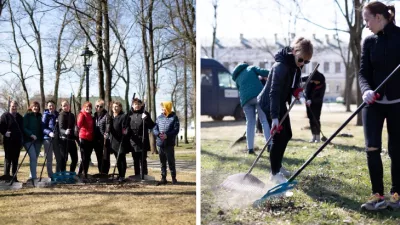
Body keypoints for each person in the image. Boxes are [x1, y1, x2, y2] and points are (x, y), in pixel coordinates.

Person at [359, 2, 400, 211]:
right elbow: (363, 72)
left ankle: (397, 194)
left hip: (398, 104)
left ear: (378, 17)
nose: (366, 24)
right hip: (372, 103)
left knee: (397, 150)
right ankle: (378, 195)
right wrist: (366, 90)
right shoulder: (369, 41)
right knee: (372, 147)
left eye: (367, 19)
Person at [258, 37, 313, 184]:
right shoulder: (280, 67)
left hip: (280, 102)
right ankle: (274, 173)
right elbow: (274, 92)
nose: (303, 64)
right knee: (278, 137)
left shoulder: (295, 67)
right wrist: (274, 117)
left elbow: (293, 86)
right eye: (301, 60)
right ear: (294, 52)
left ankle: (278, 166)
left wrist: (296, 92)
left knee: (287, 134)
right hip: (269, 104)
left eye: (306, 62)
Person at [232, 63, 270, 154]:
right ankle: (269, 145)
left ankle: (250, 149)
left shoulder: (237, 79)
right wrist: (274, 72)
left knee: (250, 123)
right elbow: (264, 72)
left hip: (245, 101)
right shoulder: (251, 68)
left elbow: (239, 90)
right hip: (258, 96)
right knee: (264, 120)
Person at [153, 101, 180, 185]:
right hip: (160, 143)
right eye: (161, 107)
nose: (162, 109)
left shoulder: (174, 117)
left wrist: (167, 135)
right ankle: (163, 178)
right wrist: (158, 134)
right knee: (162, 162)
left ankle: (173, 178)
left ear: (168, 107)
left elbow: (176, 130)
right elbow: (154, 128)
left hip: (169, 144)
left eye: (163, 107)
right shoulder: (159, 117)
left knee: (171, 161)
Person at [128, 98, 155, 176]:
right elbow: (127, 126)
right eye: (135, 104)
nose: (137, 106)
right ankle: (137, 175)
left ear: (141, 105)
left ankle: (144, 175)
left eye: (139, 104)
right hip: (133, 141)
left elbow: (151, 126)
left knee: (143, 159)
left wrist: (146, 119)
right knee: (135, 159)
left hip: (143, 140)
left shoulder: (145, 113)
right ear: (132, 105)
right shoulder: (130, 115)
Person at [0, 100, 24, 182]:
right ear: (10, 106)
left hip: (17, 142)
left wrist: (22, 140)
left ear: (17, 107)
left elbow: (22, 129)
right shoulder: (4, 116)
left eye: (15, 106)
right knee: (8, 160)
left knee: (15, 160)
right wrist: (4, 132)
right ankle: (6, 178)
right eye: (12, 106)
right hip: (8, 142)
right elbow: (1, 126)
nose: (14, 107)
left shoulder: (20, 117)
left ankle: (14, 178)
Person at [23, 101, 44, 182]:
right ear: (31, 107)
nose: (35, 108)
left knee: (35, 158)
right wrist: (31, 134)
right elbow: (24, 127)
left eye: (37, 106)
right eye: (34, 106)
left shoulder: (40, 116)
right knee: (33, 156)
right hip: (28, 140)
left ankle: (31, 175)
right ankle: (34, 177)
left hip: (38, 140)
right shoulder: (27, 115)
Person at [303, 70, 326, 143]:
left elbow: (320, 97)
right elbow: (306, 91)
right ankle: (313, 136)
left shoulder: (322, 83)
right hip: (308, 103)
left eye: (315, 81)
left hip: (317, 103)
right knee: (310, 119)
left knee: (316, 119)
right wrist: (308, 99)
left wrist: (312, 101)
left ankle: (318, 137)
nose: (314, 82)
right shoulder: (311, 79)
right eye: (313, 80)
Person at [109, 101, 128, 182]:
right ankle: (120, 175)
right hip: (113, 141)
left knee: (121, 159)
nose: (115, 108)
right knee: (117, 158)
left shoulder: (123, 116)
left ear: (120, 108)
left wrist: (125, 131)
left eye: (117, 106)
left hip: (121, 141)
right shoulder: (111, 117)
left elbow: (126, 127)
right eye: (113, 106)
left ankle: (122, 176)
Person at [58, 100, 78, 172]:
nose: (65, 107)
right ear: (62, 107)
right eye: (64, 106)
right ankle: (63, 173)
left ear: (69, 106)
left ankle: (71, 173)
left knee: (75, 159)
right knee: (64, 158)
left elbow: (74, 126)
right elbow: (60, 128)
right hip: (64, 140)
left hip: (72, 140)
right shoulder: (61, 115)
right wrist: (65, 131)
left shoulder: (72, 115)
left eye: (67, 105)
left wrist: (76, 130)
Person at [42, 100, 59, 178]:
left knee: (58, 157)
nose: (51, 107)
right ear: (47, 106)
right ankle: (51, 175)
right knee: (49, 158)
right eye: (49, 105)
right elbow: (42, 127)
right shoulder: (45, 115)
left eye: (52, 105)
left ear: (55, 106)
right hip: (47, 139)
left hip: (56, 138)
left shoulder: (57, 114)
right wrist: (49, 133)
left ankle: (57, 174)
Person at [77, 101, 94, 178]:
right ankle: (81, 173)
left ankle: (84, 173)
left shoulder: (90, 116)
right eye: (86, 106)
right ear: (84, 107)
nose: (88, 108)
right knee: (84, 157)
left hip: (90, 138)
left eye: (90, 107)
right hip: (83, 137)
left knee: (87, 157)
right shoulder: (82, 114)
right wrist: (81, 116)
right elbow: (78, 125)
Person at [93, 99, 111, 174]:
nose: (99, 108)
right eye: (97, 106)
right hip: (96, 140)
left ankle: (105, 173)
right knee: (99, 157)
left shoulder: (107, 115)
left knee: (105, 158)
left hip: (105, 140)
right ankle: (100, 172)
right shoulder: (94, 116)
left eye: (101, 106)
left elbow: (108, 125)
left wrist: (106, 132)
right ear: (95, 107)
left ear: (103, 107)